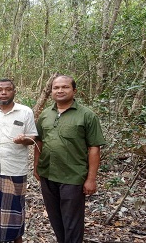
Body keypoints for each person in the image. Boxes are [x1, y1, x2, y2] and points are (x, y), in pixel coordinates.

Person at [34, 75, 106, 243]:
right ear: (51, 91)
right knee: (55, 218)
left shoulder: (87, 116)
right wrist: (36, 166)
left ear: (74, 90)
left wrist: (91, 179)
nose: (60, 90)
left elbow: (94, 148)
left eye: (65, 87)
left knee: (72, 221)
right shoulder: (45, 114)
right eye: (56, 87)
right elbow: (39, 141)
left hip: (73, 176)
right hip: (48, 174)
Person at [0, 79, 38, 243]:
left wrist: (24, 139)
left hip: (14, 168)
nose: (3, 92)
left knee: (14, 208)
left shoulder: (25, 112)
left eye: (8, 89)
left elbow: (32, 137)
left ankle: (16, 239)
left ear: (14, 92)